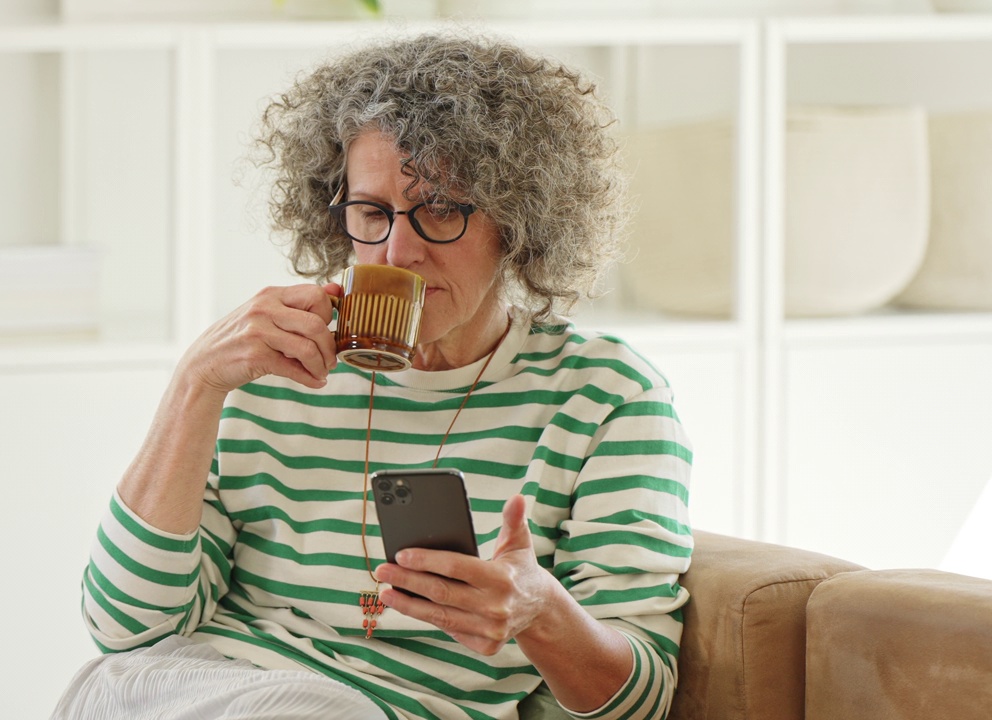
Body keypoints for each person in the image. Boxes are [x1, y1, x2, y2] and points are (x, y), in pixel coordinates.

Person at [52, 31, 693, 720]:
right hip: (193, 689)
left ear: (518, 220)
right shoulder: (274, 369)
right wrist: (194, 387)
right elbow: (126, 629)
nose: (398, 249)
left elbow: (640, 700)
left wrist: (541, 614)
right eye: (372, 212)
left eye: (441, 209)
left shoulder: (606, 395)